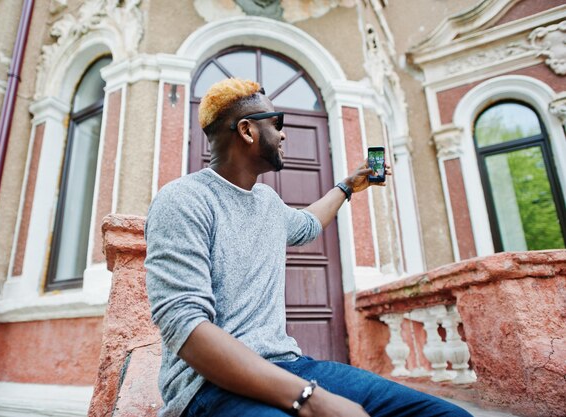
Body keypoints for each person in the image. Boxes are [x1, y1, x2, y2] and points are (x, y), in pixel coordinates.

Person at [144, 78, 472, 417]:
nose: (284, 134)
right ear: (246, 131)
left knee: (449, 416)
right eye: (276, 123)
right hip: (208, 389)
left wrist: (347, 187)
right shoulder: (182, 200)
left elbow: (308, 224)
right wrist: (311, 400)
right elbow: (186, 328)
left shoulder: (267, 202)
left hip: (291, 366)